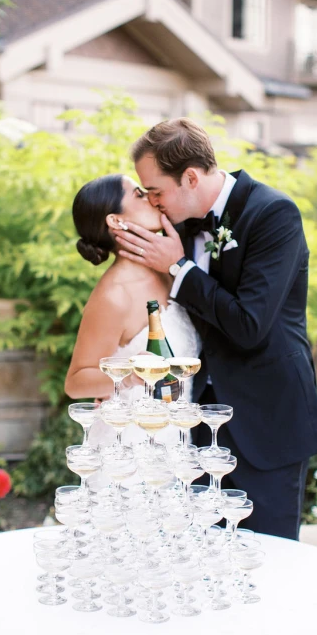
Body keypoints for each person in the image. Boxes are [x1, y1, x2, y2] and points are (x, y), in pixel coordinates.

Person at [112, 117, 317, 540]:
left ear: (190, 177)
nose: (154, 203)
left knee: (266, 561)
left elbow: (250, 325)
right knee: (200, 561)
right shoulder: (175, 223)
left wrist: (179, 267)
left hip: (265, 421)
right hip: (194, 428)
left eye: (156, 191)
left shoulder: (273, 215)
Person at [64, 173, 200, 449]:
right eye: (139, 194)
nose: (151, 197)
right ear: (115, 220)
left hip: (179, 440)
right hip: (130, 446)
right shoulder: (114, 295)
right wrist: (129, 374)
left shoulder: (170, 270)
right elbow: (75, 382)